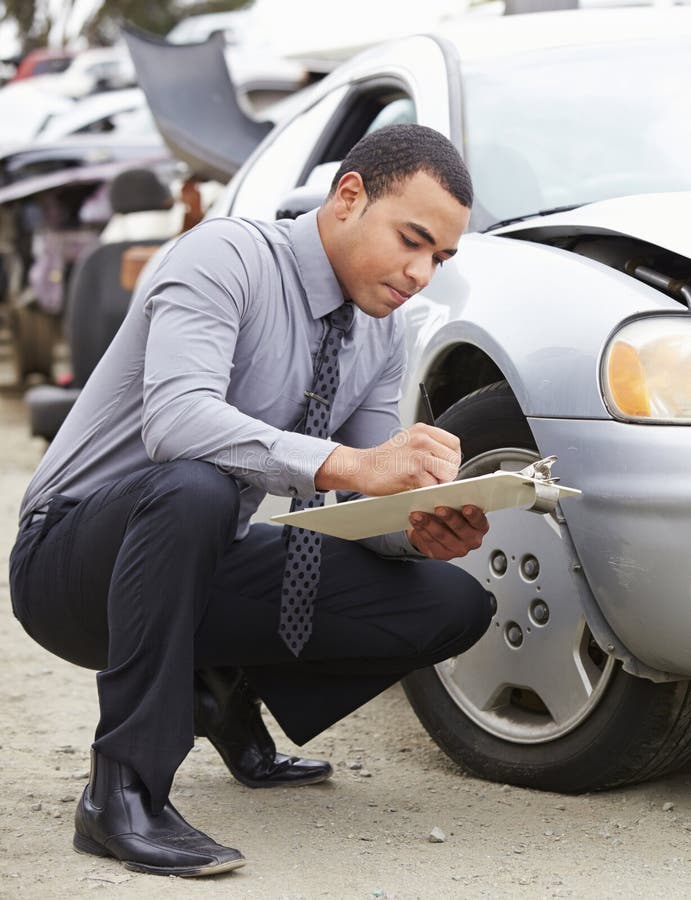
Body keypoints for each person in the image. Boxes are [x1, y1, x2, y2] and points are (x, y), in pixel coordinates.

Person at [9, 123, 492, 878]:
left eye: (440, 257)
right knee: (195, 485)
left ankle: (221, 691)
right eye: (412, 239)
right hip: (71, 564)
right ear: (348, 197)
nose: (421, 271)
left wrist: (414, 523)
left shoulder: (381, 330)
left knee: (452, 603)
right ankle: (123, 791)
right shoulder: (223, 255)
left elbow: (353, 497)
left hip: (201, 560)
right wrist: (354, 463)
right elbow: (177, 422)